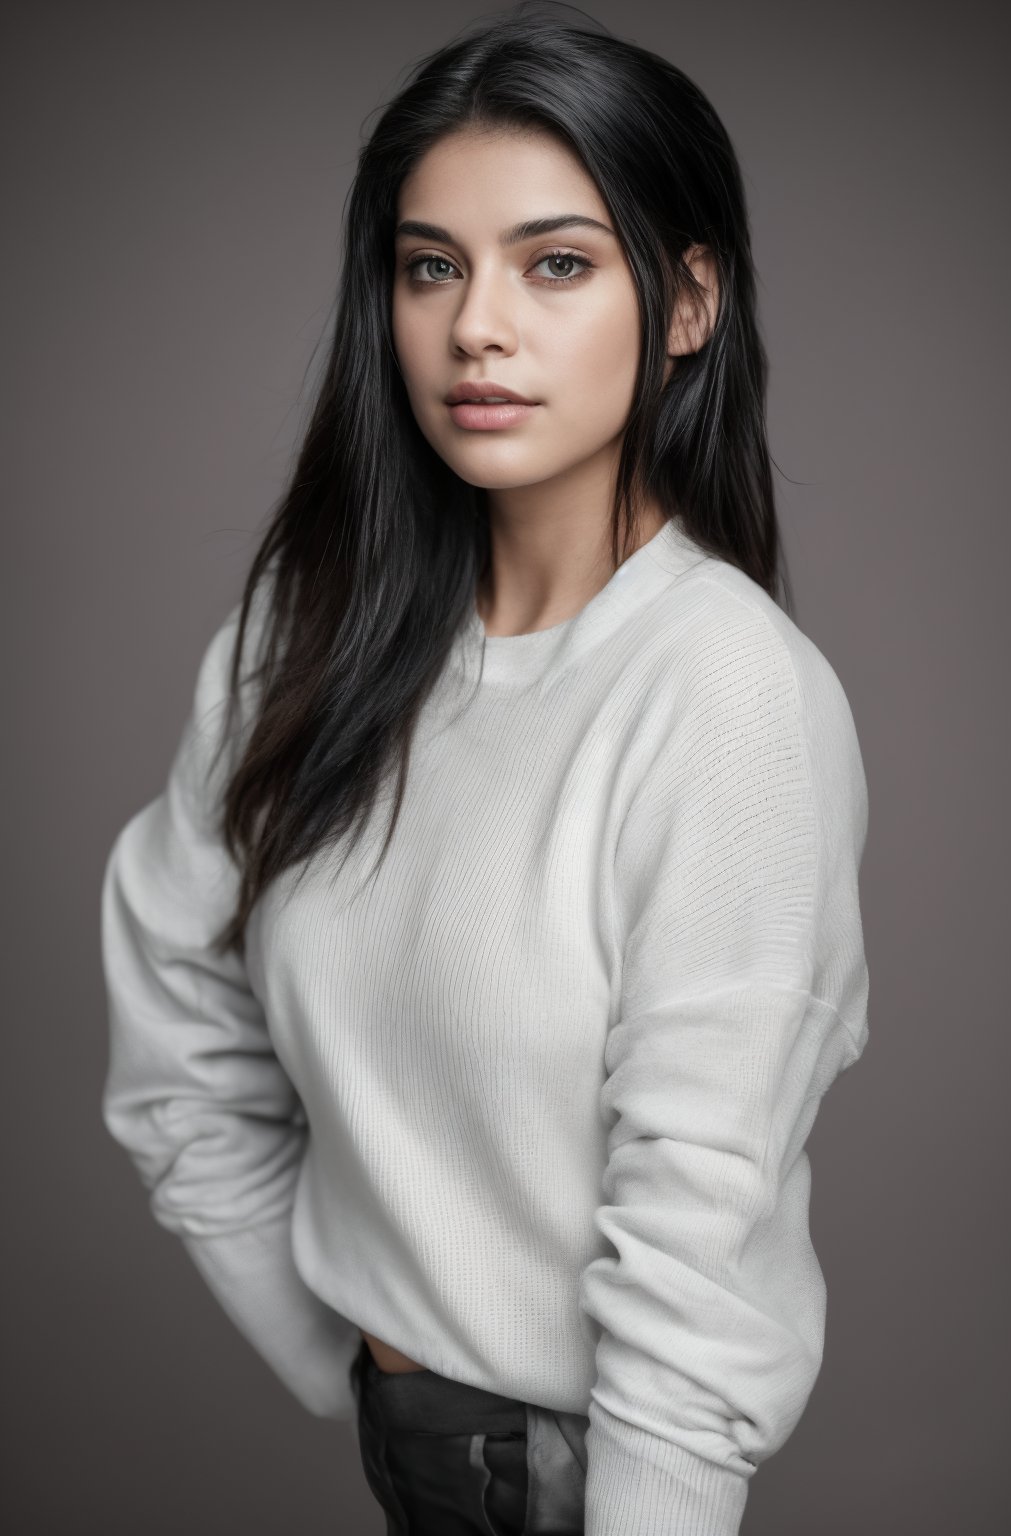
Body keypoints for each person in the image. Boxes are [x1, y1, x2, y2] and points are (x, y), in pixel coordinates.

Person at [99, 4, 871, 1533]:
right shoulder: (305, 632)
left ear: (689, 302)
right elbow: (172, 1019)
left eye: (558, 263)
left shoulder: (723, 691)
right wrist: (360, 1351)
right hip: (421, 1464)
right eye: (430, 265)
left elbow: (695, 1247)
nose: (477, 329)